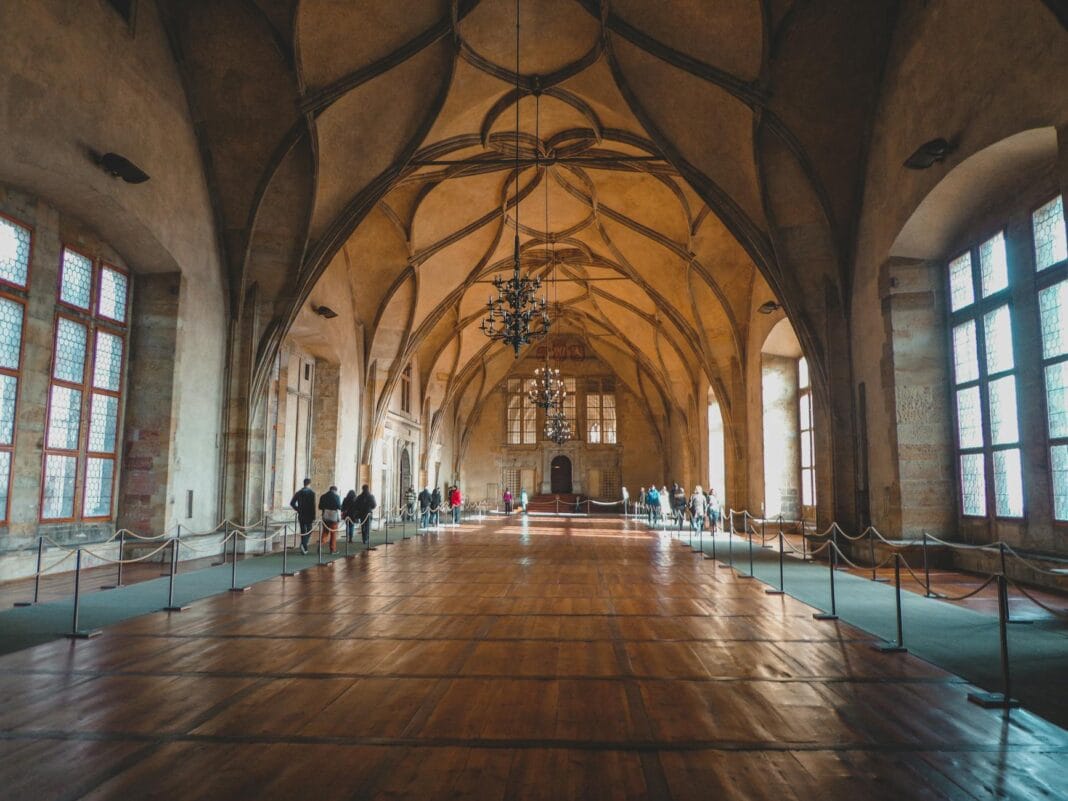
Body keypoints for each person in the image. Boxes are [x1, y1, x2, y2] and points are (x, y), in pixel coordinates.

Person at [289, 478, 316, 554]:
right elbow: (313, 506)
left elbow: (292, 503)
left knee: (303, 531)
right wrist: (314, 516)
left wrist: (298, 509)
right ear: (309, 484)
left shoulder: (298, 493)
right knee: (309, 530)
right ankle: (304, 544)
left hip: (301, 514)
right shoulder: (312, 493)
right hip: (309, 514)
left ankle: (305, 548)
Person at [318, 484, 343, 554]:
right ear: (335, 490)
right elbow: (339, 507)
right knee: (333, 533)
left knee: (325, 532)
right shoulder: (336, 496)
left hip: (325, 516)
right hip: (333, 517)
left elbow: (319, 507)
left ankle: (320, 545)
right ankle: (333, 549)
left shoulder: (323, 496)